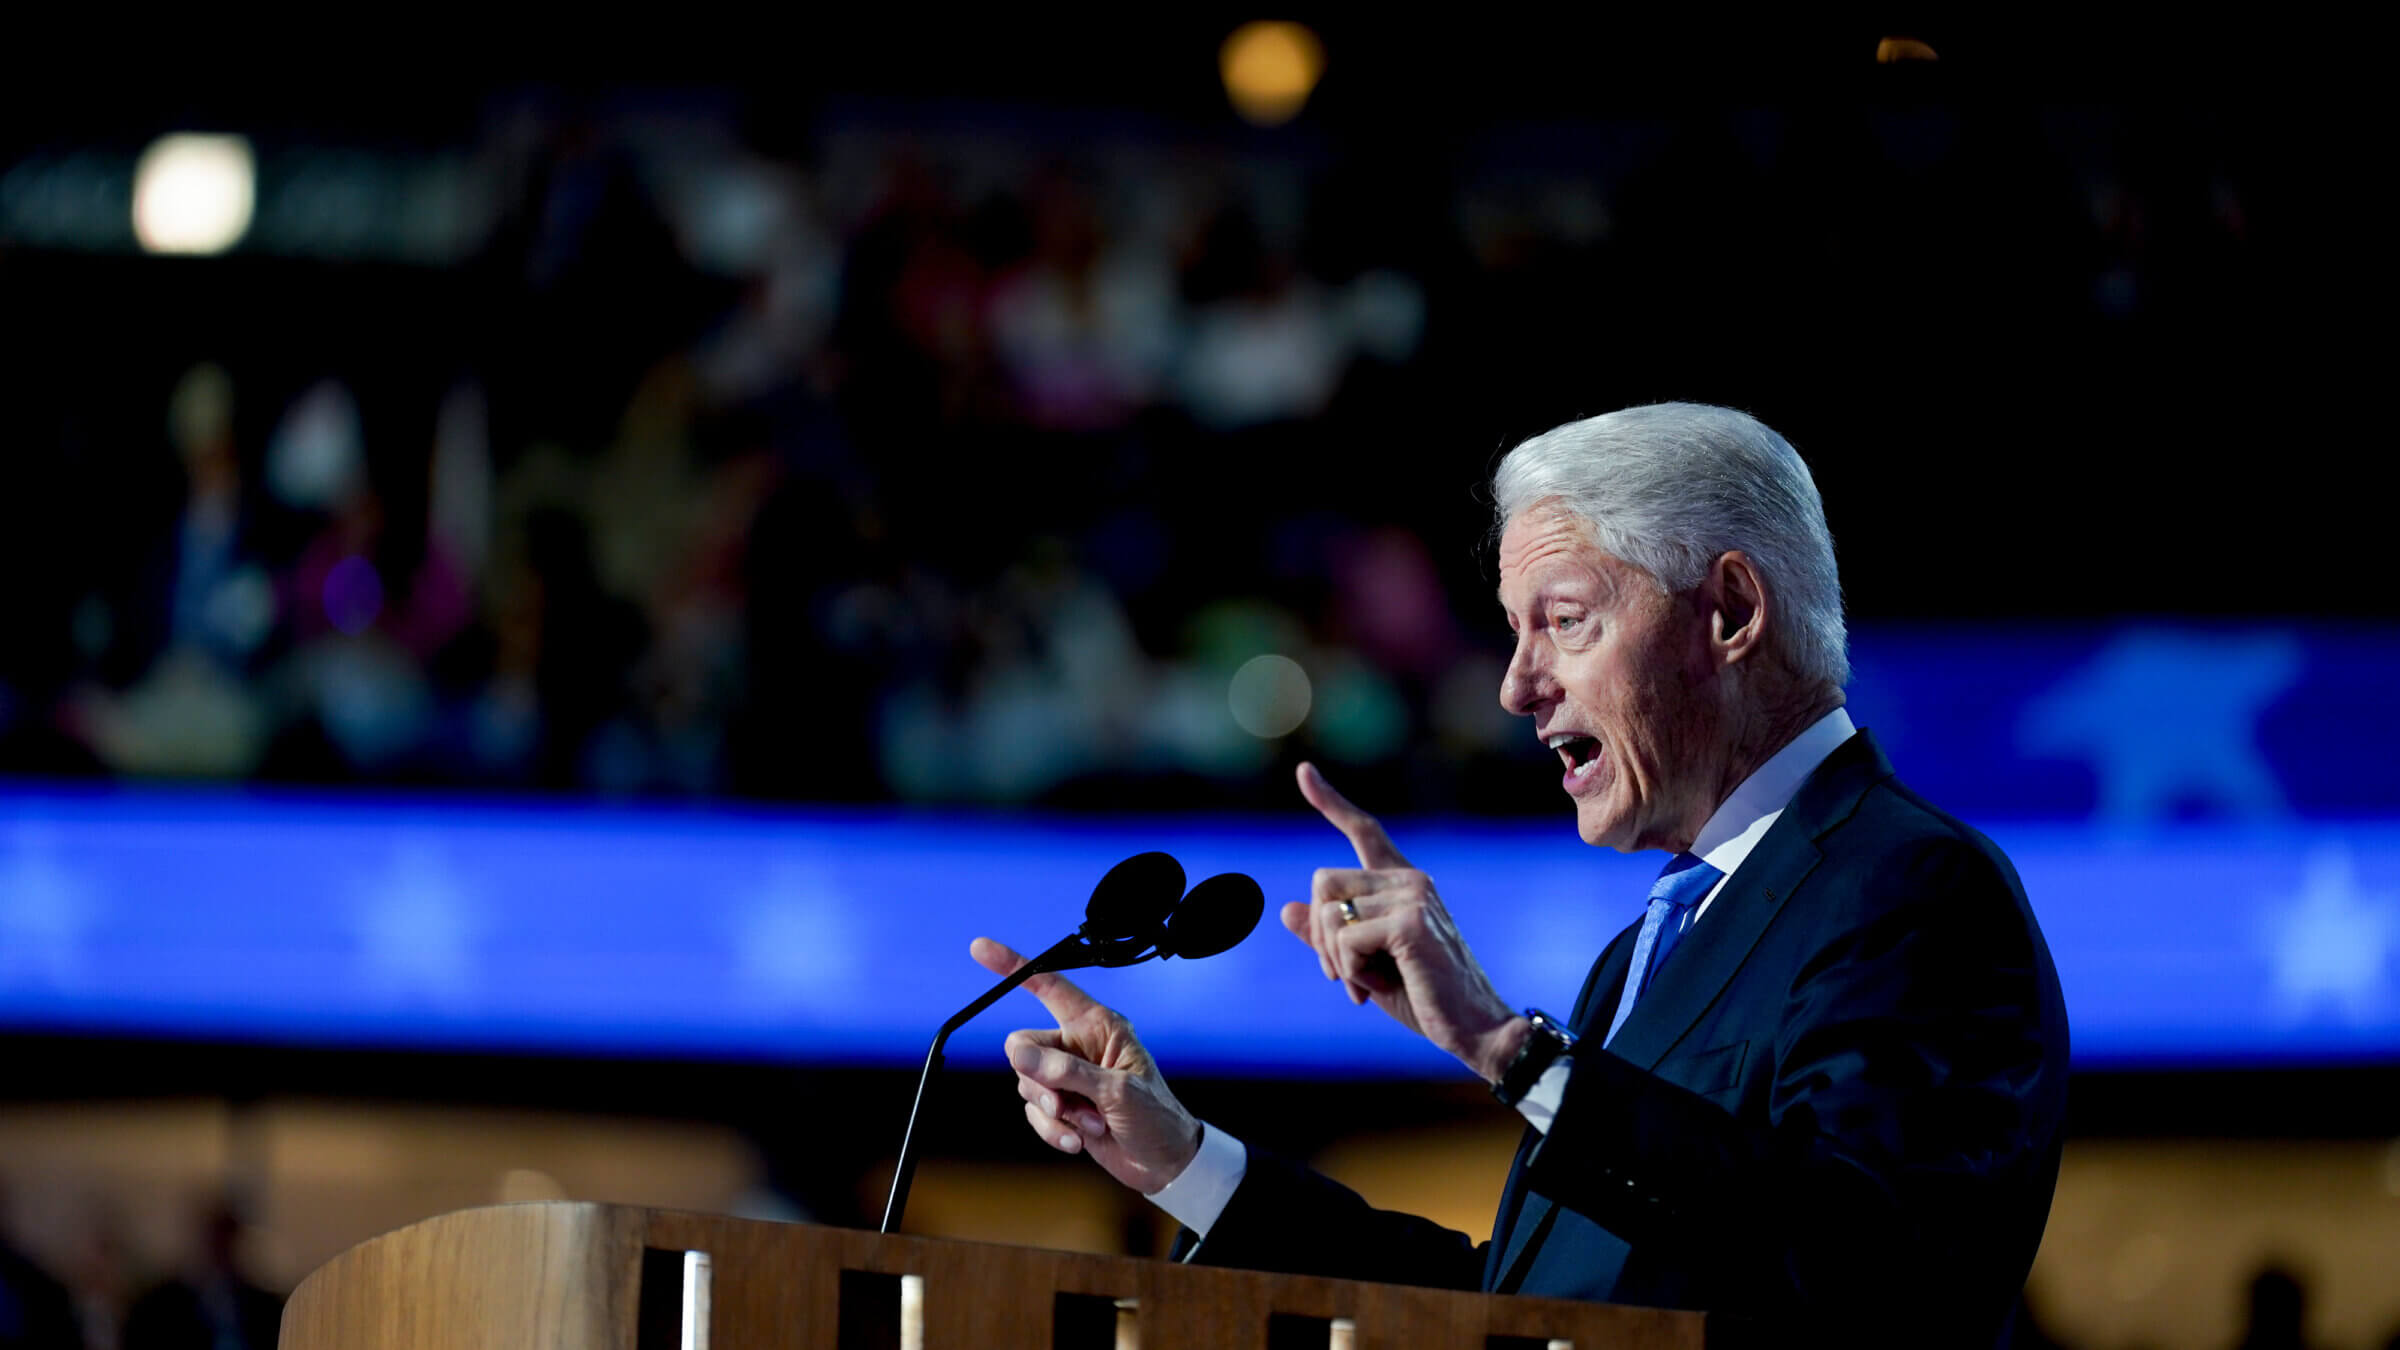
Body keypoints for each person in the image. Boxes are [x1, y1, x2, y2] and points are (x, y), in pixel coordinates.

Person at [974, 402, 2070, 1346]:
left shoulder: (1912, 890)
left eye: (1563, 621)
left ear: (1729, 613)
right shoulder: (1642, 954)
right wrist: (1186, 1160)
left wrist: (1511, 1052)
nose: (1514, 686)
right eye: (1511, 630)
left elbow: (1869, 1276)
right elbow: (1516, 1308)